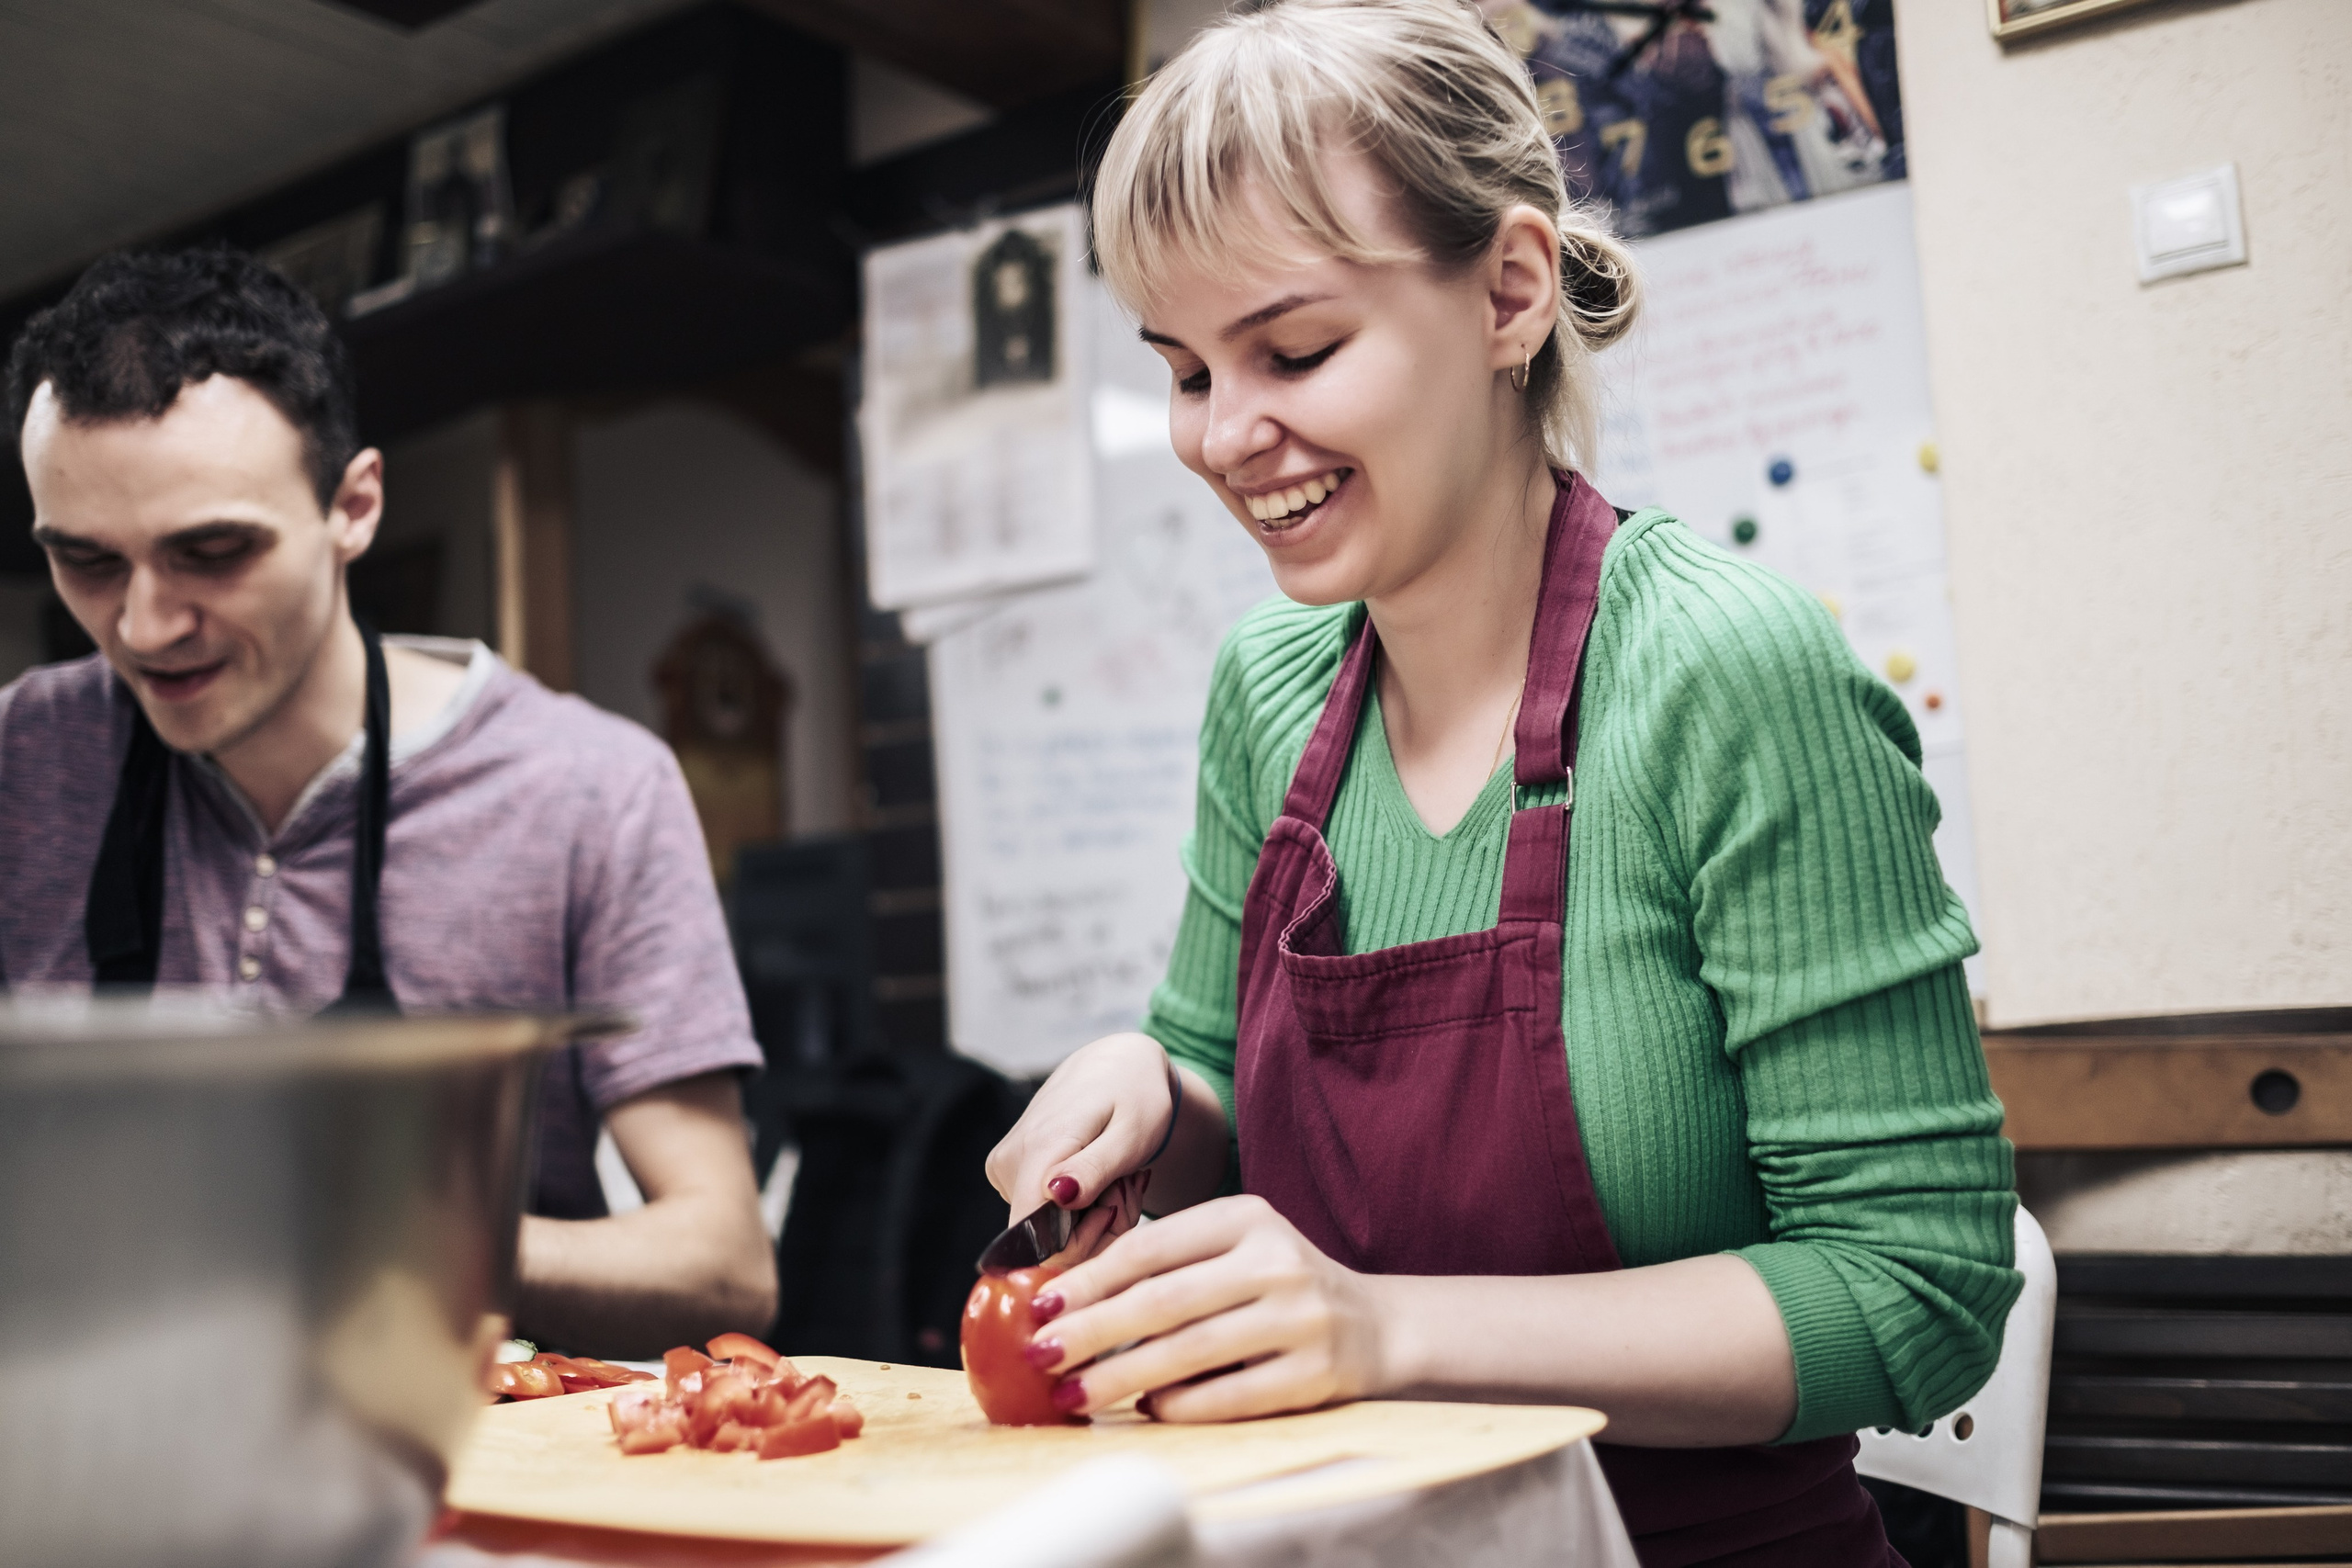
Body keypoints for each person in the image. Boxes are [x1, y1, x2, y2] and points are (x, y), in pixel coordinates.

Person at [983, 2, 2018, 1561]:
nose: (1225, 435)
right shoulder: (1269, 694)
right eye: (1186, 370)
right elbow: (1210, 1073)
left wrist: (1386, 1328)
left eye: (1297, 347)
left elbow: (1914, 1288)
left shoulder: (1727, 675)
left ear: (1511, 293)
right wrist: (1147, 1092)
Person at [0, 247, 775, 1357]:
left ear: (353, 506)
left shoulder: (589, 789)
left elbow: (723, 1266)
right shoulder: (22, 757)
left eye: (211, 552)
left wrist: (379, 1236)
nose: (145, 626)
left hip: (430, 1475)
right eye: (87, 564)